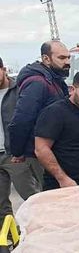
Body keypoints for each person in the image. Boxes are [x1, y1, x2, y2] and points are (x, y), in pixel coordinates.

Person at [8, 41, 71, 174]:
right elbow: (21, 120)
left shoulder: (55, 80)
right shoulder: (38, 83)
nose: (67, 62)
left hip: (58, 148)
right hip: (42, 152)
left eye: (68, 57)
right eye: (62, 58)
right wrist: (18, 151)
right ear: (46, 59)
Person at [0, 56, 40, 216]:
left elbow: (28, 121)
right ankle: (9, 235)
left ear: (4, 70)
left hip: (16, 155)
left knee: (32, 197)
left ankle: (44, 230)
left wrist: (23, 149)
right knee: (1, 204)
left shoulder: (20, 91)